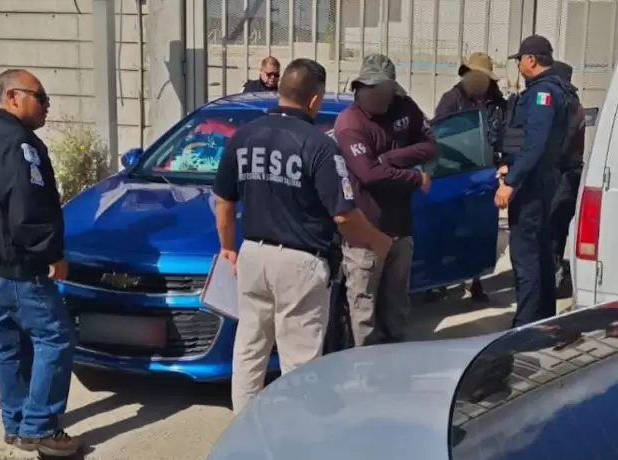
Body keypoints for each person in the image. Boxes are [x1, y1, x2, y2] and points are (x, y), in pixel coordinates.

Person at [214, 58, 393, 413]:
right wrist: (377, 240)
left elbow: (223, 200)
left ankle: (242, 428)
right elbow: (343, 214)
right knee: (300, 362)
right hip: (300, 263)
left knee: (249, 351)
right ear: (314, 99)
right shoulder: (319, 146)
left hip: (252, 255)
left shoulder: (243, 137)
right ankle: (296, 433)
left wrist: (226, 247)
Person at [0, 69, 81, 457]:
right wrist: (52, 254)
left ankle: (15, 422)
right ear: (13, 96)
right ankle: (39, 428)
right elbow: (28, 205)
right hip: (15, 265)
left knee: (9, 343)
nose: (46, 106)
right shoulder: (17, 141)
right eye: (40, 98)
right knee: (55, 337)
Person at [333, 54, 437, 347]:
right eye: (368, 88)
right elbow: (369, 174)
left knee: (397, 304)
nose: (375, 96)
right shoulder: (350, 123)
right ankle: (364, 364)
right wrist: (415, 178)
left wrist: (392, 157)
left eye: (381, 89)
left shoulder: (405, 108)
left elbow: (430, 145)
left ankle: (395, 357)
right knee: (363, 308)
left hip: (400, 227)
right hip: (366, 230)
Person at [497, 35, 574, 327]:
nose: (518, 65)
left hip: (531, 185)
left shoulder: (543, 94)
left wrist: (511, 181)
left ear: (530, 59)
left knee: (526, 256)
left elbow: (535, 144)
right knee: (540, 253)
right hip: (542, 181)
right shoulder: (551, 89)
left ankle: (525, 323)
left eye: (519, 59)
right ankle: (543, 318)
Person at [426, 52, 508, 303]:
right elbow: (439, 135)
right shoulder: (451, 99)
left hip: (484, 175)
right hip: (453, 173)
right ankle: (437, 282)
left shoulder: (498, 104)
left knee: (478, 231)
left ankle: (475, 279)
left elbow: (504, 136)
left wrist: (503, 165)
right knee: (445, 229)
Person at [546, 61, 586, 298]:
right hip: (568, 174)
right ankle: (553, 276)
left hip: (563, 174)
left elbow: (561, 144)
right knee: (556, 230)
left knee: (552, 229)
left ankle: (552, 281)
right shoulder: (572, 102)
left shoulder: (567, 105)